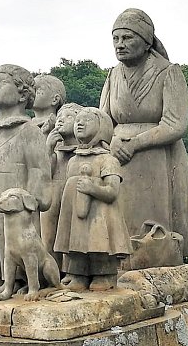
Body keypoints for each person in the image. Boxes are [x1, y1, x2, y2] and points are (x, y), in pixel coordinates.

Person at [99, 8, 188, 263]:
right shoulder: (113, 75)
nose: (119, 45)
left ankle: (156, 260)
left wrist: (135, 144)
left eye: (127, 38)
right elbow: (102, 120)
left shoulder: (168, 72)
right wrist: (112, 141)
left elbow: (175, 124)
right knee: (119, 221)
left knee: (156, 226)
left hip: (158, 159)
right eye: (116, 39)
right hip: (118, 159)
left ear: (145, 42)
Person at [0, 64, 52, 296]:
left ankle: (21, 278)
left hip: (16, 195)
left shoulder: (29, 130)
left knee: (12, 232)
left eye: (2, 82)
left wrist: (35, 196)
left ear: (23, 93)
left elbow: (39, 168)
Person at [54, 107, 132, 291]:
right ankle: (78, 275)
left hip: (100, 215)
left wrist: (92, 188)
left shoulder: (108, 159)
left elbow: (112, 191)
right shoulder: (72, 161)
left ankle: (104, 274)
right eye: (78, 120)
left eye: (87, 120)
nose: (80, 123)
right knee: (76, 245)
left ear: (101, 127)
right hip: (75, 215)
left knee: (99, 244)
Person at [41, 102, 84, 266]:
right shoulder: (55, 149)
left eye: (68, 117)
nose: (61, 120)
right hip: (52, 195)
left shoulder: (83, 149)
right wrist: (48, 149)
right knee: (48, 236)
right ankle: (50, 271)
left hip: (73, 195)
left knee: (70, 233)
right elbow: (44, 172)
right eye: (59, 117)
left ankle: (70, 270)